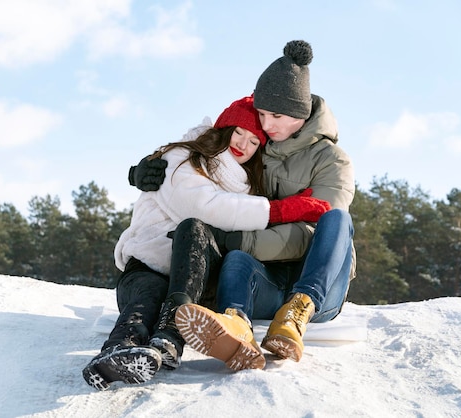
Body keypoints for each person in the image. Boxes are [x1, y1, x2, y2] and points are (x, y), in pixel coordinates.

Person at [129, 40, 356, 369]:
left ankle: (296, 313)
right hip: (265, 280)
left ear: (300, 113)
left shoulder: (332, 161)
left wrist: (236, 238)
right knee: (235, 260)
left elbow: (315, 235)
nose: (266, 125)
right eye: (262, 115)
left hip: (317, 283)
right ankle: (237, 324)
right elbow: (208, 164)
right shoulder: (258, 148)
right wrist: (143, 171)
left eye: (275, 115)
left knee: (336, 221)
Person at [83, 95, 331, 391]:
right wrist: (280, 210)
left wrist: (293, 203)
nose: (243, 144)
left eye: (254, 142)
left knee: (195, 236)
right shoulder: (180, 158)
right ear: (223, 129)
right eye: (238, 132)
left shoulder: (248, 186)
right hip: (148, 266)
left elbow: (236, 216)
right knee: (148, 295)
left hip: (195, 283)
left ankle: (169, 336)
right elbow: (204, 206)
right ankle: (118, 351)